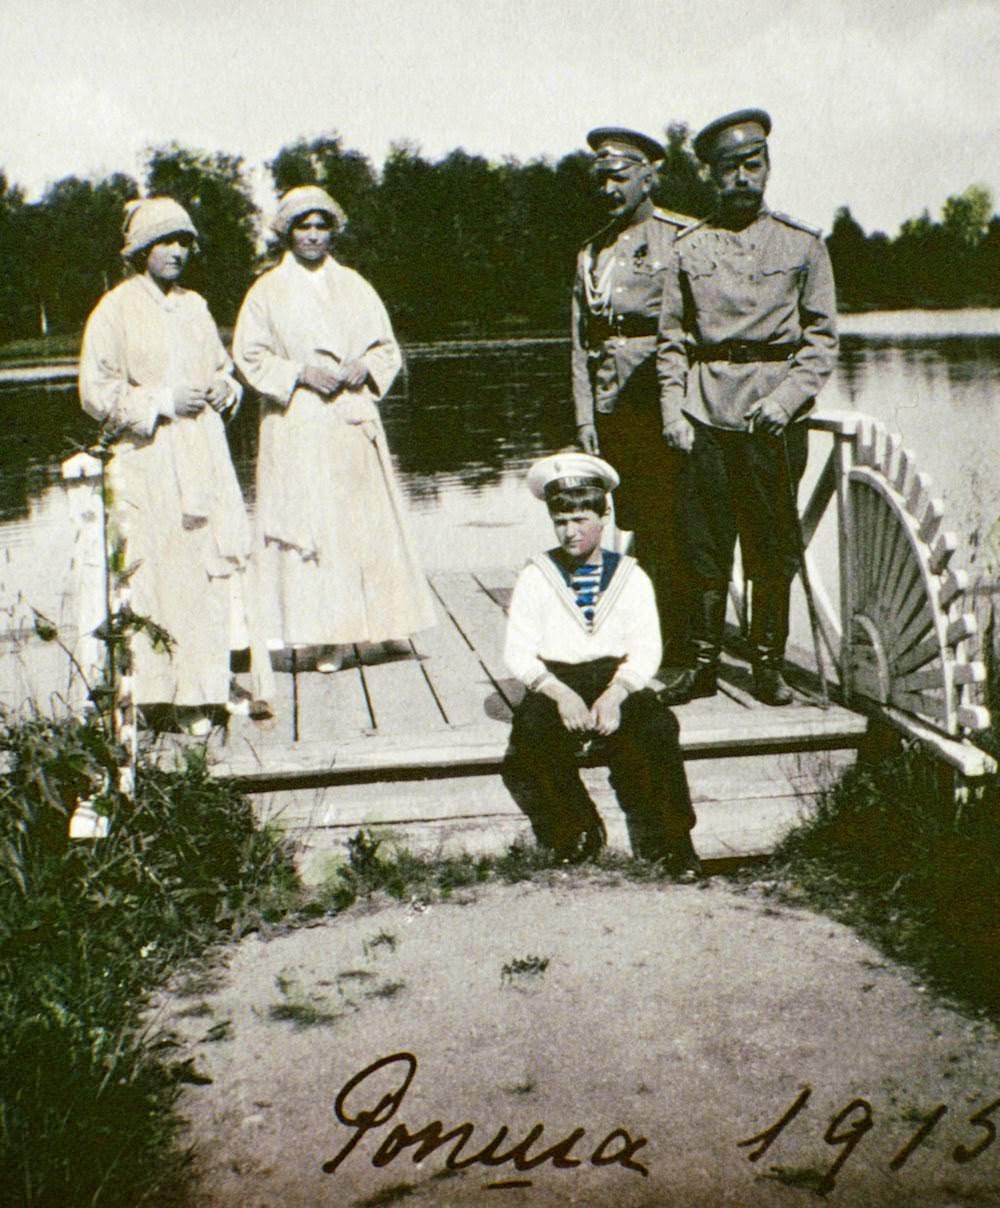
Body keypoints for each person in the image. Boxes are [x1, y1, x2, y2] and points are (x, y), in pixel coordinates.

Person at [656, 110, 838, 705]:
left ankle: (767, 665)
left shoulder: (803, 244)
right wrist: (673, 411)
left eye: (752, 165)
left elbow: (821, 340)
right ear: (709, 176)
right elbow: (671, 342)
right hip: (705, 411)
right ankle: (703, 666)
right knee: (704, 547)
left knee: (772, 546)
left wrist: (787, 401)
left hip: (773, 419)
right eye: (728, 169)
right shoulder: (687, 248)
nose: (741, 178)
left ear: (767, 167)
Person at [79, 197, 274, 733]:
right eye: (165, 242)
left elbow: (221, 367)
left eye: (185, 242)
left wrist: (224, 387)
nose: (177, 252)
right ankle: (164, 696)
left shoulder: (196, 307)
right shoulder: (115, 310)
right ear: (141, 250)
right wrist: (162, 400)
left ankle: (205, 690)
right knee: (160, 576)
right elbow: (96, 392)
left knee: (209, 570)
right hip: (150, 461)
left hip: (203, 454)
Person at [232, 185, 435, 672]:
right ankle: (328, 638)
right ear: (287, 232)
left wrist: (364, 367)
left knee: (368, 522)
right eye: (304, 226)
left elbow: (386, 348)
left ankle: (385, 624)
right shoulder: (267, 291)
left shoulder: (355, 285)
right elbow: (249, 355)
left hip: (351, 420)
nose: (314, 235)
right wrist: (300, 372)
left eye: (322, 226)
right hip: (300, 421)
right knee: (315, 525)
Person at [501, 452, 699, 875]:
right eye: (561, 521)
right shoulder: (537, 575)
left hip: (616, 677)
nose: (570, 532)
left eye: (580, 519)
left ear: (603, 516)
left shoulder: (630, 576)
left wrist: (617, 693)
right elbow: (518, 652)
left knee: (659, 727)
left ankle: (675, 840)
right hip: (559, 677)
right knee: (531, 735)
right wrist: (557, 692)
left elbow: (647, 649)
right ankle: (578, 827)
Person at [571, 127, 693, 663]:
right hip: (613, 404)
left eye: (619, 177)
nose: (608, 189)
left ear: (649, 177)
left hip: (665, 403)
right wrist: (583, 418)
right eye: (601, 178)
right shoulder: (592, 250)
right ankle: (644, 638)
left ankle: (680, 643)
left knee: (673, 525)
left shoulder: (683, 238)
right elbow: (580, 342)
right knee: (633, 520)